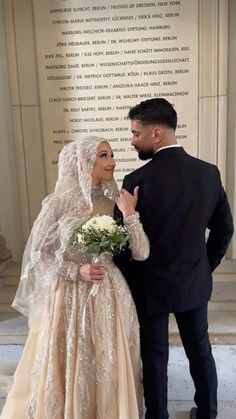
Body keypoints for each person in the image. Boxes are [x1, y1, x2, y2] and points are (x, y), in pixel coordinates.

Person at [1, 137, 150, 419]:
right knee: (71, 359)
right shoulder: (58, 203)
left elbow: (141, 253)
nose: (112, 161)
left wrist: (130, 214)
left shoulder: (115, 199)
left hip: (109, 292)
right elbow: (38, 254)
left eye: (111, 154)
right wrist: (76, 270)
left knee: (108, 360)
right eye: (104, 155)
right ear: (84, 162)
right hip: (68, 295)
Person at [114, 98, 234, 419]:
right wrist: (205, 267)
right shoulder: (208, 173)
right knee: (200, 350)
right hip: (193, 282)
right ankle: (207, 413)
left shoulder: (135, 180)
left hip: (149, 285)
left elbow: (122, 244)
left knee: (154, 356)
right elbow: (224, 228)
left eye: (135, 133)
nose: (132, 140)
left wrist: (130, 280)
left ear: (156, 134)